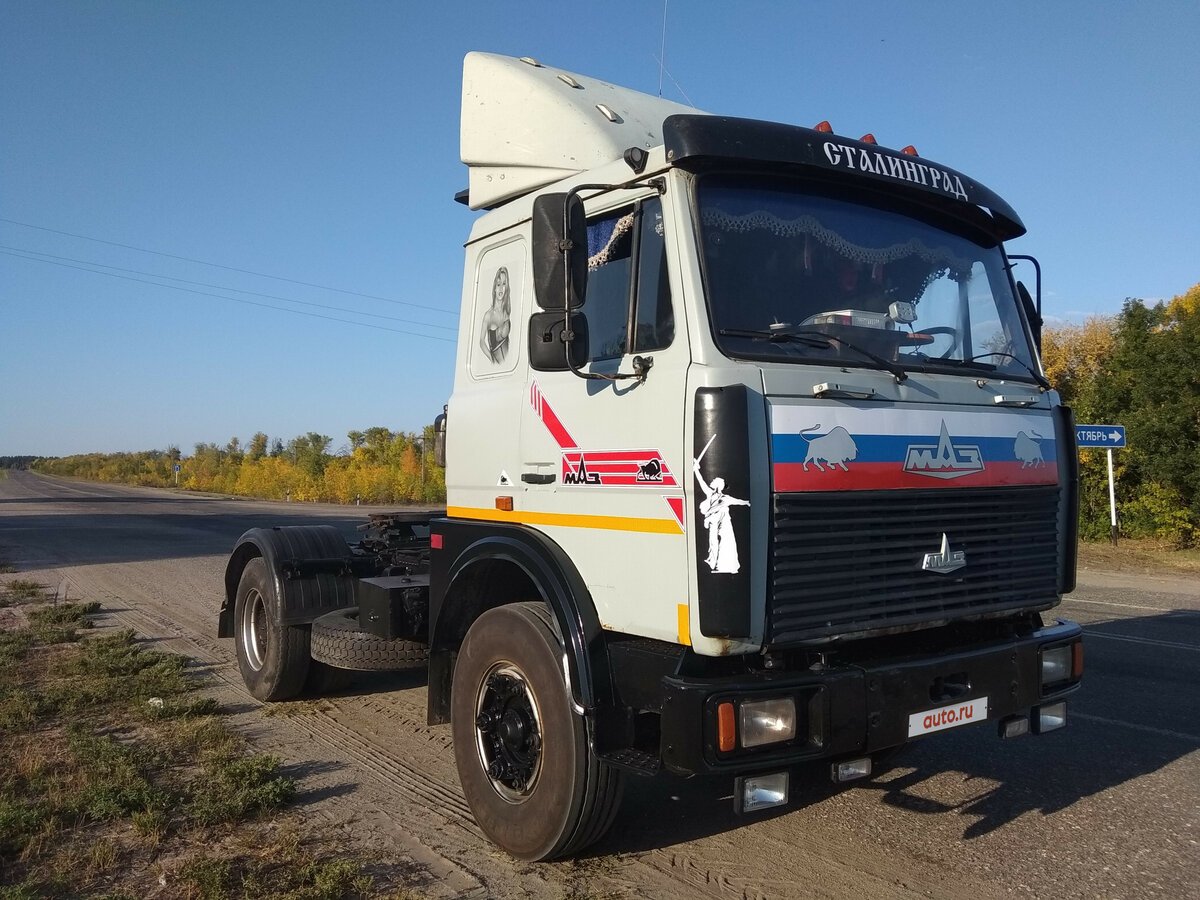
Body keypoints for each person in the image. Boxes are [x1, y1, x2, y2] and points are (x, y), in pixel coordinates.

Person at [693, 460, 750, 574]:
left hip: (723, 521)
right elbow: (702, 482)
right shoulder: (710, 494)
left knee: (726, 541)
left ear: (719, 485)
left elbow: (738, 501)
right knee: (712, 541)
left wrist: (747, 502)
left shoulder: (724, 498)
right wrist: (696, 470)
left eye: (714, 480)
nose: (712, 481)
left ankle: (726, 565)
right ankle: (712, 562)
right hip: (713, 521)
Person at [479, 266, 512, 364]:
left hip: (509, 365)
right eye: (498, 284)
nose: (501, 288)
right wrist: (492, 360)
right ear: (494, 288)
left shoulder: (507, 311)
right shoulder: (488, 315)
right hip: (498, 364)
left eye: (504, 284)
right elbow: (481, 341)